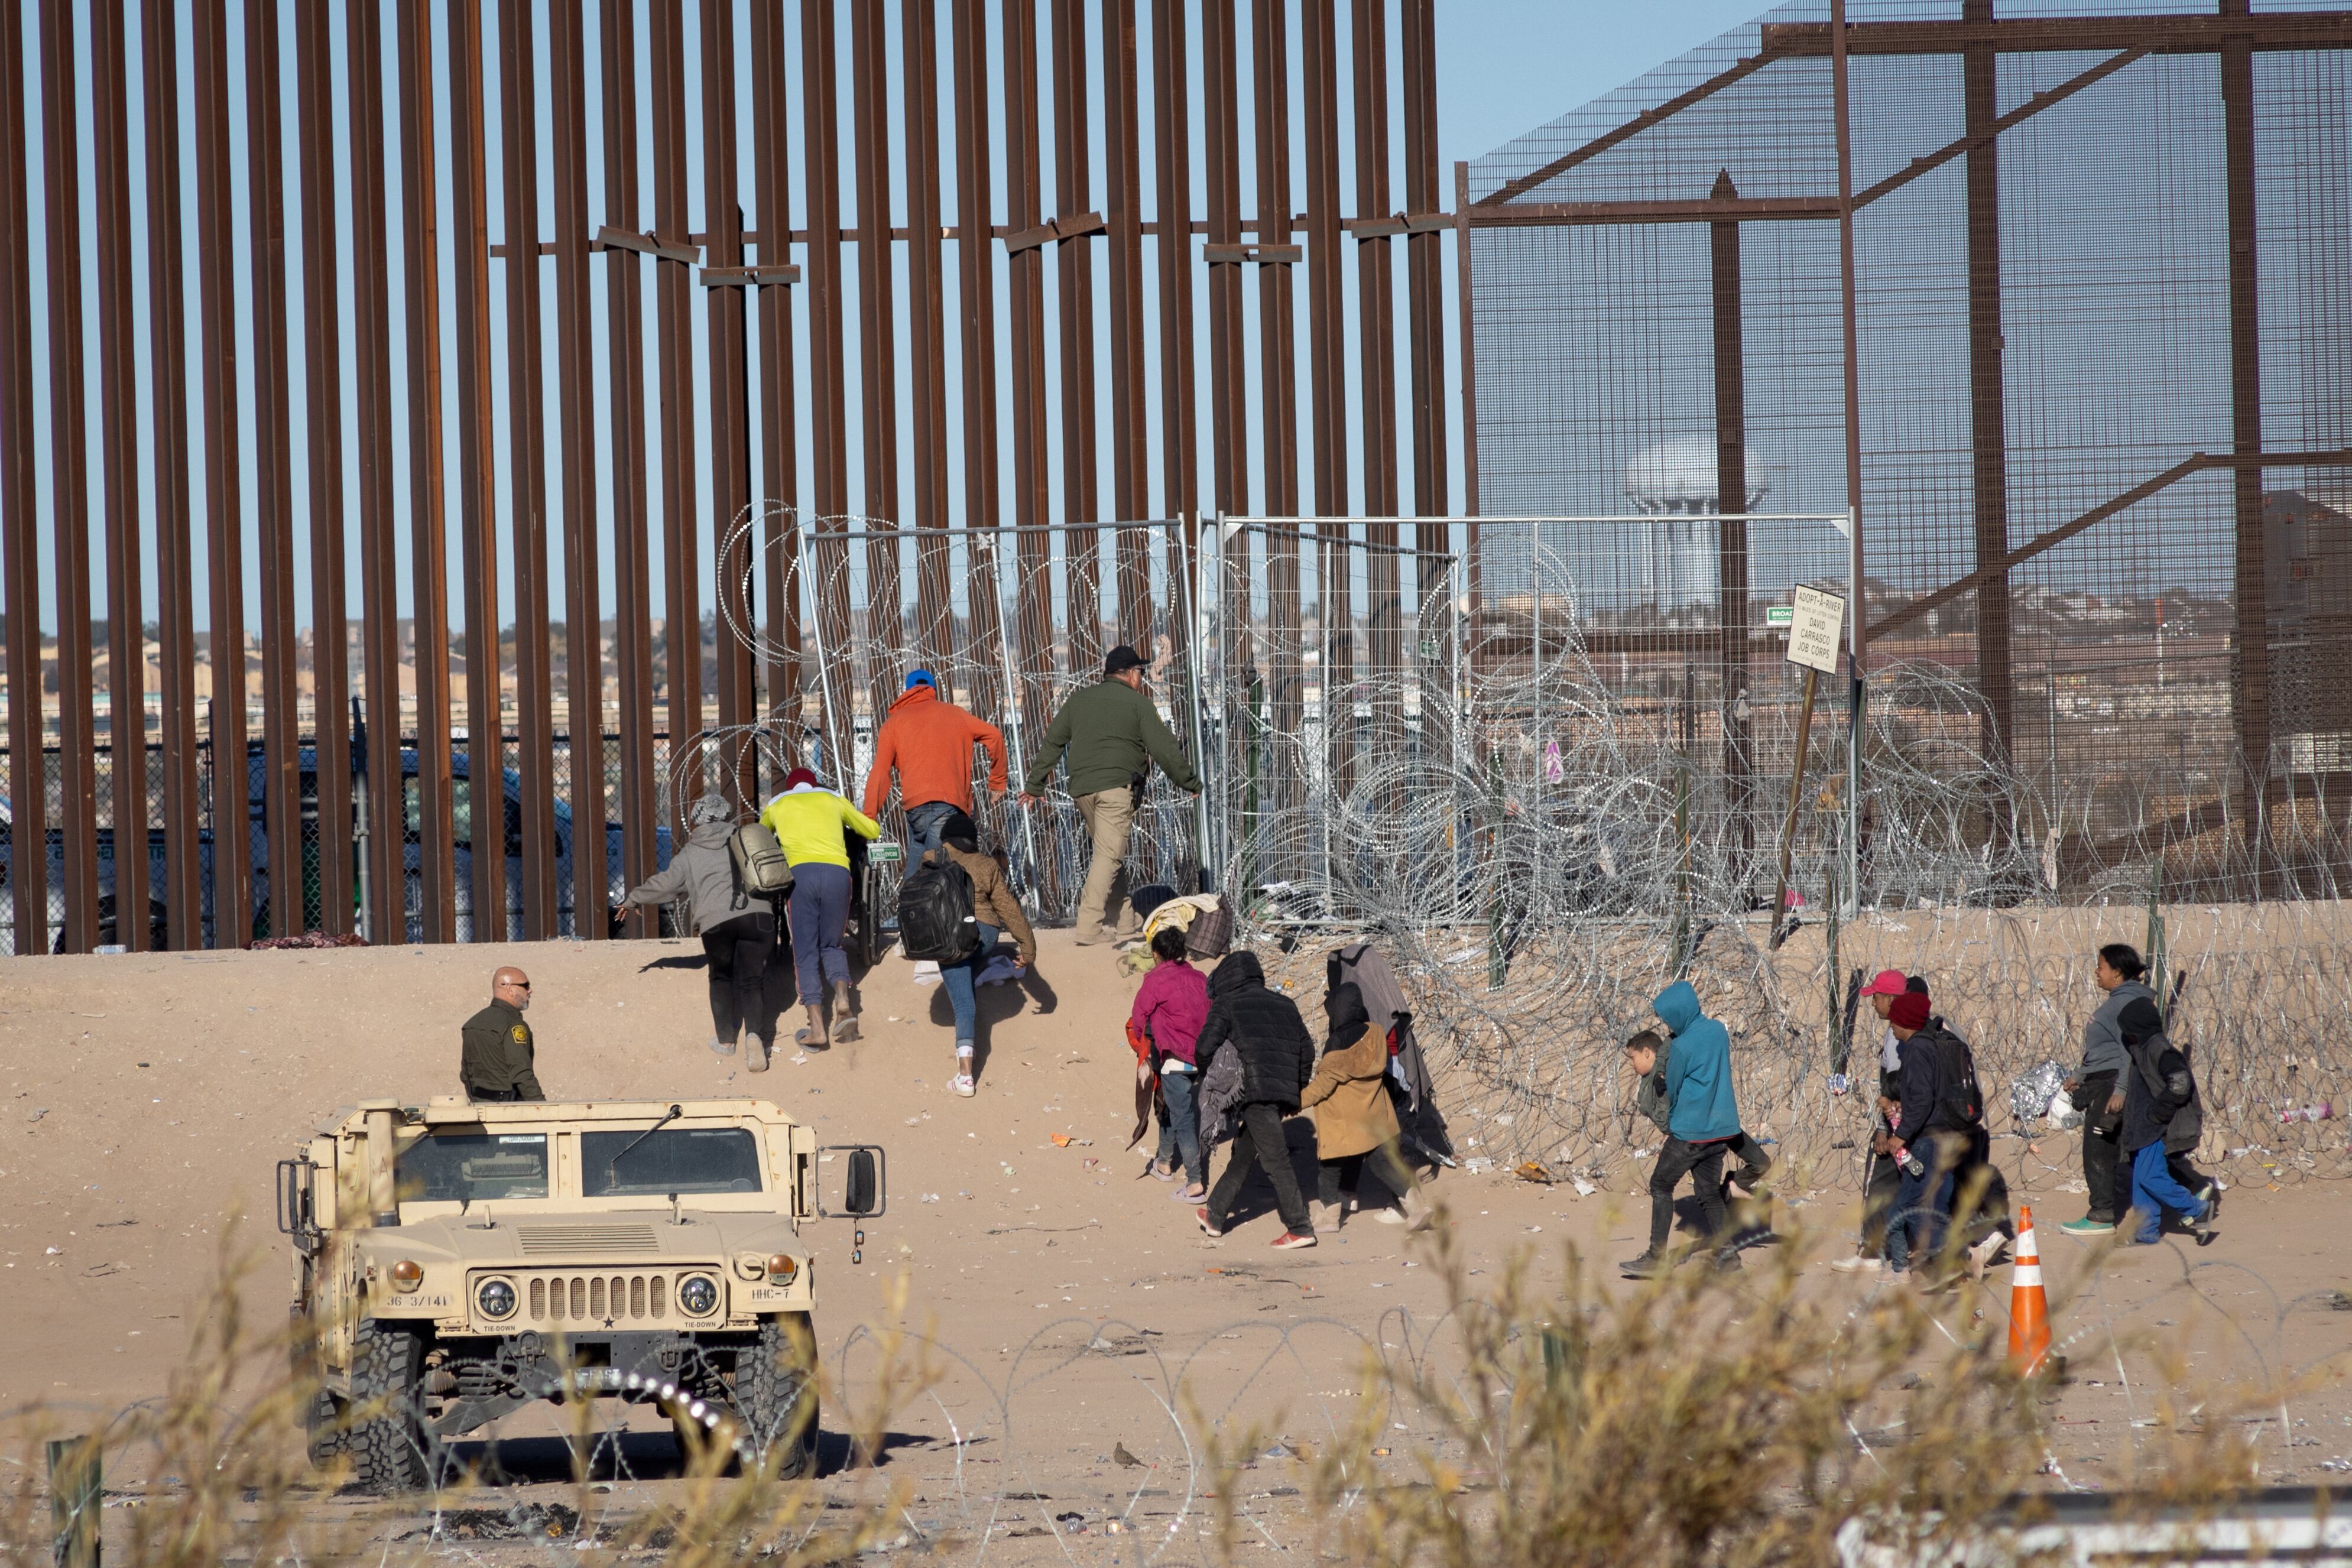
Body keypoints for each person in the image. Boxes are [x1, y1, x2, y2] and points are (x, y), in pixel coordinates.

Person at [1018, 644, 1203, 946]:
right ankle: (1089, 926)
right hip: (1117, 788)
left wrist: (1035, 784)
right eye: (1141, 672)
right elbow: (1164, 749)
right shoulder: (1137, 703)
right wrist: (1190, 783)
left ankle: (1125, 920)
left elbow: (1053, 742)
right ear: (1131, 674)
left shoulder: (1078, 700)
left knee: (1110, 854)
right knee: (1108, 855)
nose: (1142, 678)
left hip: (1082, 790)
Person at [621, 794, 778, 1070]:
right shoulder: (747, 838)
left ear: (697, 820)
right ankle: (754, 1036)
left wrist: (634, 897)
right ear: (727, 815)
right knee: (752, 981)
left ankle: (726, 1041)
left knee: (720, 978)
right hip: (759, 917)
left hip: (717, 923)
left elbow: (667, 885)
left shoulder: (690, 853)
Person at [1194, 951, 1319, 1249]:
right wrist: (1295, 1091)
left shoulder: (1227, 1004)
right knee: (1244, 1154)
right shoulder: (1285, 1004)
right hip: (1279, 1091)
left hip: (1252, 1091)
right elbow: (1308, 1051)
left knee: (1276, 1160)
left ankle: (1300, 1227)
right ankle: (1215, 1214)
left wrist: (1217, 1078)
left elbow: (1203, 1048)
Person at [1621, 980, 1741, 1278]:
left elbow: (1671, 1087)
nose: (1668, 1024)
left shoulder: (1683, 1045)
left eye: (1668, 1017)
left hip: (1692, 1132)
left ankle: (1656, 1257)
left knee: (1661, 1185)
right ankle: (1729, 1259)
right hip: (1722, 1129)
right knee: (1710, 1194)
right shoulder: (1717, 1031)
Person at [760, 767, 881, 1047]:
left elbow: (760, 838)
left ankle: (817, 1028)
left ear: (791, 788)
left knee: (804, 952)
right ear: (814, 785)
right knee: (832, 945)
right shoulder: (833, 798)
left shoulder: (777, 804)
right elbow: (872, 830)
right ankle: (842, 999)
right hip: (839, 874)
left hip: (800, 878)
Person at [919, 807, 1035, 1097]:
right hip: (985, 933)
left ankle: (966, 1077)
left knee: (963, 1004)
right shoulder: (986, 865)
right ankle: (974, 972)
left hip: (950, 935)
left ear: (945, 839)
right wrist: (1028, 948)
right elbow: (1008, 908)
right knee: (970, 964)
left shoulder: (932, 860)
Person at [1302, 979, 1430, 1232]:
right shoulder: (1375, 1032)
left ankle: (1328, 1219)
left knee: (1330, 1169)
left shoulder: (1336, 1043)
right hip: (1376, 1116)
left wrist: (1296, 1101)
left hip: (1343, 1121)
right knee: (1385, 1164)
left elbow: (1325, 1084)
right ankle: (1418, 1209)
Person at [2059, 943, 2160, 1236]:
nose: (2096, 971)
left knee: (2098, 1145)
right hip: (2103, 1079)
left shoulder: (2125, 1003)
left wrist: (2121, 1089)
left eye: (2101, 966)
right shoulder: (2118, 1000)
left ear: (2117, 972)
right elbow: (2103, 1050)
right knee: (2111, 1146)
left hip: (2114, 1082)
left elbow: (2128, 1050)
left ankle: (2101, 1214)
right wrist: (2081, 1073)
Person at [1882, 992, 1979, 1284]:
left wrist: (1901, 1134)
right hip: (1950, 1136)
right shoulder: (1934, 1044)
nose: (1892, 1029)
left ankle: (1945, 1262)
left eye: (1894, 1022)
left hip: (1930, 1140)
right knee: (1935, 1204)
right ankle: (1953, 1263)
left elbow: (1922, 1100)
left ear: (1904, 1022)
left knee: (1910, 1205)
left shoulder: (1916, 1050)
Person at [861, 670, 1009, 858]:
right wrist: (997, 781)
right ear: (933, 690)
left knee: (919, 871)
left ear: (907, 690)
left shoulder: (893, 724)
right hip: (948, 803)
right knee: (933, 871)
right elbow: (994, 736)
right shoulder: (956, 714)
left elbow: (880, 773)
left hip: (915, 807)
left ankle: (910, 887)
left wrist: (869, 816)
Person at [2116, 997, 2218, 1246]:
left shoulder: (2157, 1047)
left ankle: (2198, 1209)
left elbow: (2180, 1081)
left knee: (2151, 1178)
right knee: (2142, 1180)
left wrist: (2159, 1113)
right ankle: (2146, 1232)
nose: (2126, 1036)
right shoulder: (2141, 1049)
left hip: (2157, 1128)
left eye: (2128, 1030)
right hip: (2143, 1128)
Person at [1133, 925, 1211, 1201]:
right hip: (1202, 1060)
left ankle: (1194, 1183)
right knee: (1170, 1106)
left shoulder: (1155, 982)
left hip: (1174, 1060)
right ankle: (1164, 1162)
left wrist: (1142, 1051)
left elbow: (1138, 1019)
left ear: (1156, 954)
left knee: (1184, 1119)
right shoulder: (1201, 978)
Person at [460, 967, 544, 1102]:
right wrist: (542, 1108)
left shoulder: (472, 1023)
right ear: (510, 989)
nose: (530, 990)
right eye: (526, 986)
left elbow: (466, 1075)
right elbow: (522, 1075)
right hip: (510, 1110)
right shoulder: (514, 1025)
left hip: (480, 1107)